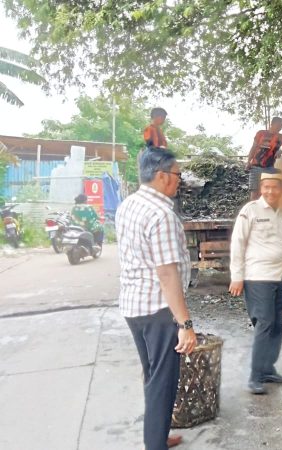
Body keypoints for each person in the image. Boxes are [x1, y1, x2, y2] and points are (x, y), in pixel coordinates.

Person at [115, 148, 196, 450]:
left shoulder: (128, 205)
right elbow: (167, 275)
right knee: (163, 383)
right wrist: (185, 323)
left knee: (152, 376)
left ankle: (157, 436)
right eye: (177, 174)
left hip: (134, 307)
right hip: (158, 310)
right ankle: (155, 445)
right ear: (162, 176)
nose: (179, 181)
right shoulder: (161, 214)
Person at [228, 169, 282, 395]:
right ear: (261, 188)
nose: (271, 191)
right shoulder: (250, 210)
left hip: (278, 277)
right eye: (267, 187)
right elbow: (238, 243)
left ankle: (267, 368)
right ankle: (255, 375)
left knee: (277, 324)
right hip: (257, 277)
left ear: (281, 189)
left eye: (275, 187)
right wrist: (237, 276)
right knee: (265, 323)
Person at [246, 117, 282, 201]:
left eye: (281, 127)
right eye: (277, 126)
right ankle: (254, 212)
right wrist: (248, 162)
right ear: (272, 124)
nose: (279, 128)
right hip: (256, 166)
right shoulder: (260, 133)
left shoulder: (281, 137)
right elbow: (253, 147)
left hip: (269, 168)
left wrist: (281, 151)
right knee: (254, 194)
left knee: (280, 180)